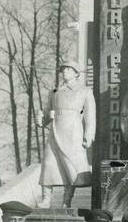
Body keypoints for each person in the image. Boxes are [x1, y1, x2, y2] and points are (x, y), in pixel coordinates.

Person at [39, 61, 96, 208]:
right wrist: (42, 119)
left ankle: (67, 200)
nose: (65, 72)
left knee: (70, 166)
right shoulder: (54, 92)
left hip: (73, 131)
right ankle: (46, 198)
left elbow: (90, 116)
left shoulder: (84, 91)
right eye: (63, 69)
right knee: (48, 164)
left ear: (76, 73)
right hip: (55, 130)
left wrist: (89, 135)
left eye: (69, 69)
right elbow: (46, 115)